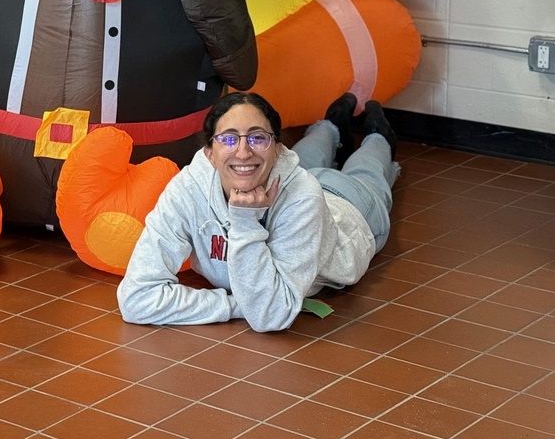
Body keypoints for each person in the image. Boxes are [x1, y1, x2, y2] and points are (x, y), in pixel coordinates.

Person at [117, 91, 398, 331]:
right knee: (301, 159)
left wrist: (245, 222)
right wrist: (237, 304)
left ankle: (379, 137)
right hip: (282, 182)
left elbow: (270, 315)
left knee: (368, 171)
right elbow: (136, 299)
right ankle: (330, 125)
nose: (242, 152)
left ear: (278, 149)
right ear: (209, 152)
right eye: (229, 139)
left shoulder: (302, 193)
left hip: (348, 208)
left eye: (258, 138)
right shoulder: (189, 187)